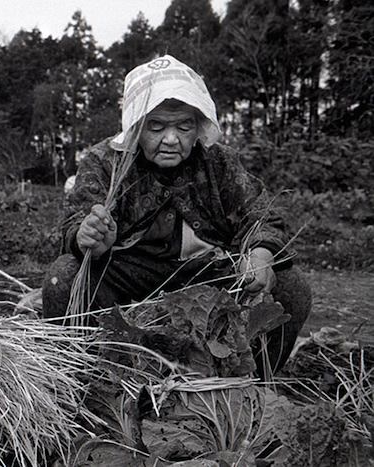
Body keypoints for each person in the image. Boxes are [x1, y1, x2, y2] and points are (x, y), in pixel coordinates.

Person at [41, 55, 311, 376]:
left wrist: (261, 253)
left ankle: (250, 384)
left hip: (206, 278)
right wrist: (90, 239)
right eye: (156, 126)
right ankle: (84, 381)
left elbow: (262, 214)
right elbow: (75, 224)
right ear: (136, 126)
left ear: (198, 125)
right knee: (63, 278)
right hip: (127, 278)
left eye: (184, 126)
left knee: (291, 286)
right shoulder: (103, 162)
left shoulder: (218, 162)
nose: (171, 139)